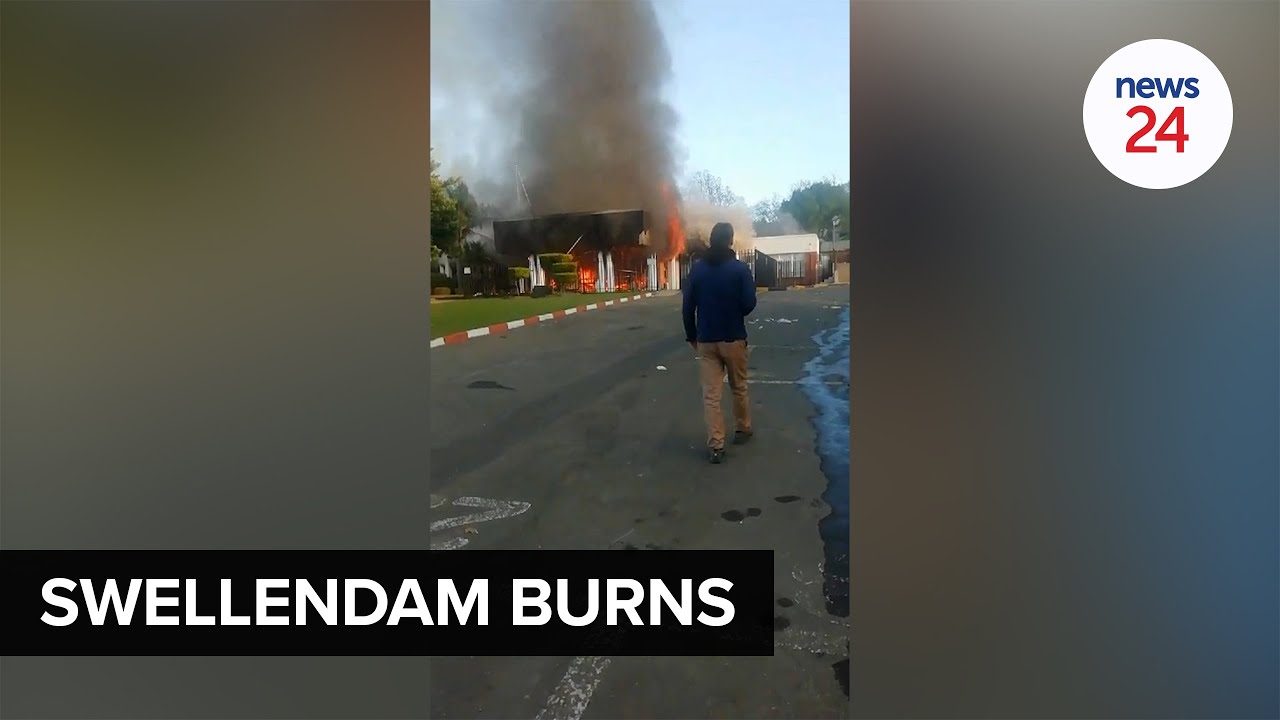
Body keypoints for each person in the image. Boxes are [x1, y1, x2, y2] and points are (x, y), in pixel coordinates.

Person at [682, 222, 757, 464]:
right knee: (739, 387)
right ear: (731, 241)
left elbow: (687, 307)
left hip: (706, 341)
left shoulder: (697, 270)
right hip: (733, 338)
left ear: (711, 240)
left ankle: (716, 445)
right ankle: (743, 428)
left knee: (711, 396)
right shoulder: (740, 270)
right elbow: (749, 304)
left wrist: (691, 335)